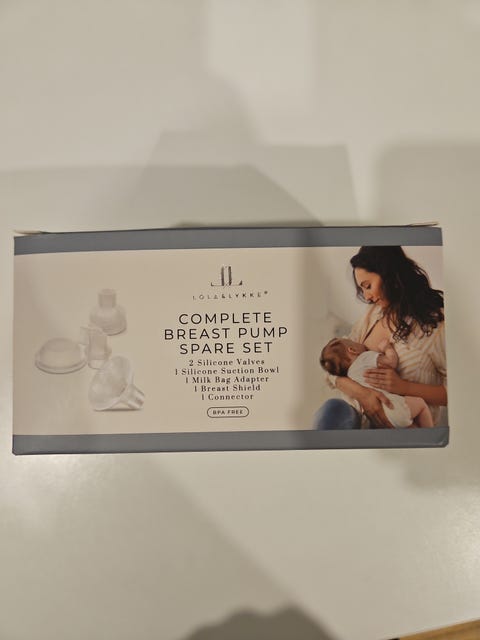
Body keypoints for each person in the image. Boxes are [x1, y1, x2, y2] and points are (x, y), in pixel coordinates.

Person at [314, 246, 447, 429]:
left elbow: (460, 391)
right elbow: (332, 366)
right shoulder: (373, 314)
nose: (367, 297)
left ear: (389, 274)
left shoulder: (437, 323)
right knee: (332, 409)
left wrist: (404, 387)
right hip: (356, 420)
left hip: (403, 423)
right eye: (362, 289)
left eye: (368, 286)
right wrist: (363, 394)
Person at [319, 337, 433, 427]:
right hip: (393, 407)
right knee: (421, 405)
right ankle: (430, 435)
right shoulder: (365, 357)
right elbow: (391, 362)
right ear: (352, 350)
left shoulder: (349, 376)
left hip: (374, 419)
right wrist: (387, 348)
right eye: (354, 342)